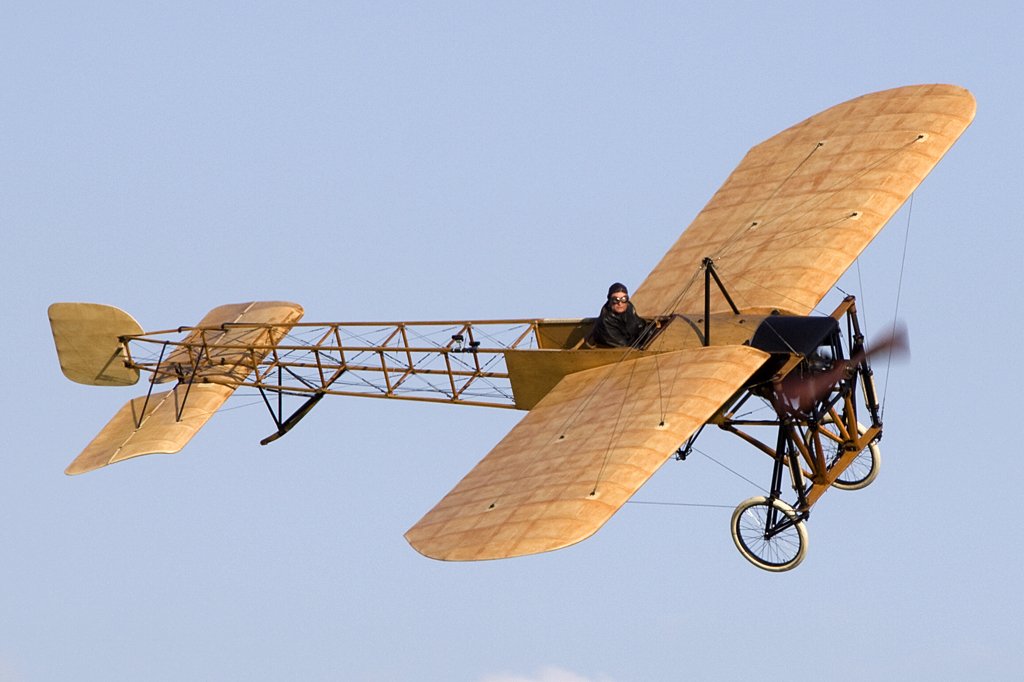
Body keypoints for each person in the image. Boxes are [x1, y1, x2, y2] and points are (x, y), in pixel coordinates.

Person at [587, 282, 651, 348]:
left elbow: (640, 326)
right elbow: (623, 346)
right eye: (615, 300)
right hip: (618, 351)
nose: (620, 303)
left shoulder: (629, 307)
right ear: (610, 301)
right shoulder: (606, 321)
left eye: (624, 299)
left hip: (631, 341)